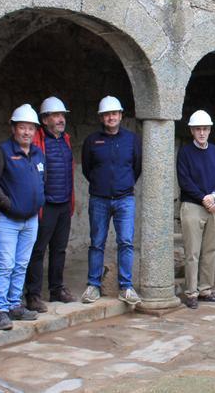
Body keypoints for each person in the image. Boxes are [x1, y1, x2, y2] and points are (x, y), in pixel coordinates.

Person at [0, 104, 45, 330]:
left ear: (36, 130)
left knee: (21, 265)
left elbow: (39, 180)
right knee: (5, 265)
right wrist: (7, 203)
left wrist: (38, 200)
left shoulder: (37, 153)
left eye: (31, 128)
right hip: (7, 220)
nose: (26, 132)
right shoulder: (2, 152)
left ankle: (14, 305)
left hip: (30, 220)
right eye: (22, 128)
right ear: (13, 129)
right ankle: (0, 310)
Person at [81, 96, 142, 306]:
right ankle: (93, 286)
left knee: (125, 242)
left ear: (120, 115)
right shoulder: (92, 141)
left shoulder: (132, 139)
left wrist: (123, 184)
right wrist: (102, 185)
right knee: (97, 243)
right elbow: (87, 169)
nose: (111, 117)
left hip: (125, 199)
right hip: (99, 199)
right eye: (107, 114)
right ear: (101, 117)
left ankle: (126, 287)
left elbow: (137, 167)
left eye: (114, 114)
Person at [25, 97, 76, 313]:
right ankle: (33, 295)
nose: (60, 119)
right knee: (38, 250)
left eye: (62, 115)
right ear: (44, 120)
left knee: (59, 249)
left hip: (63, 202)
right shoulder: (36, 141)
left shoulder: (65, 140)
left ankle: (56, 289)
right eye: (55, 116)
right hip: (45, 205)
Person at [177, 110, 215, 309]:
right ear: (191, 131)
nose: (202, 132)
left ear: (209, 130)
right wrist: (202, 198)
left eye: (205, 129)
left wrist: (214, 195)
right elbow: (184, 180)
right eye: (198, 129)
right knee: (192, 252)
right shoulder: (185, 152)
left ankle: (205, 289)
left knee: (210, 250)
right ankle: (191, 292)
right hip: (193, 206)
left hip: (214, 206)